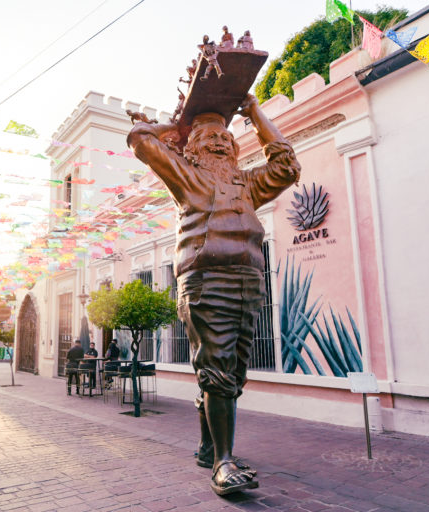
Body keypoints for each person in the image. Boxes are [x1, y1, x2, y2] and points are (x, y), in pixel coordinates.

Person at [127, 94, 300, 495]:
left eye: (226, 137)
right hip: (207, 282)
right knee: (219, 372)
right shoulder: (186, 175)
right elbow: (139, 138)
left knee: (231, 376)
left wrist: (254, 111)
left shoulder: (248, 183)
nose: (220, 142)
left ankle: (209, 446)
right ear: (192, 148)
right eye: (208, 138)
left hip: (249, 282)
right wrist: (179, 126)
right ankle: (223, 462)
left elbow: (287, 167)